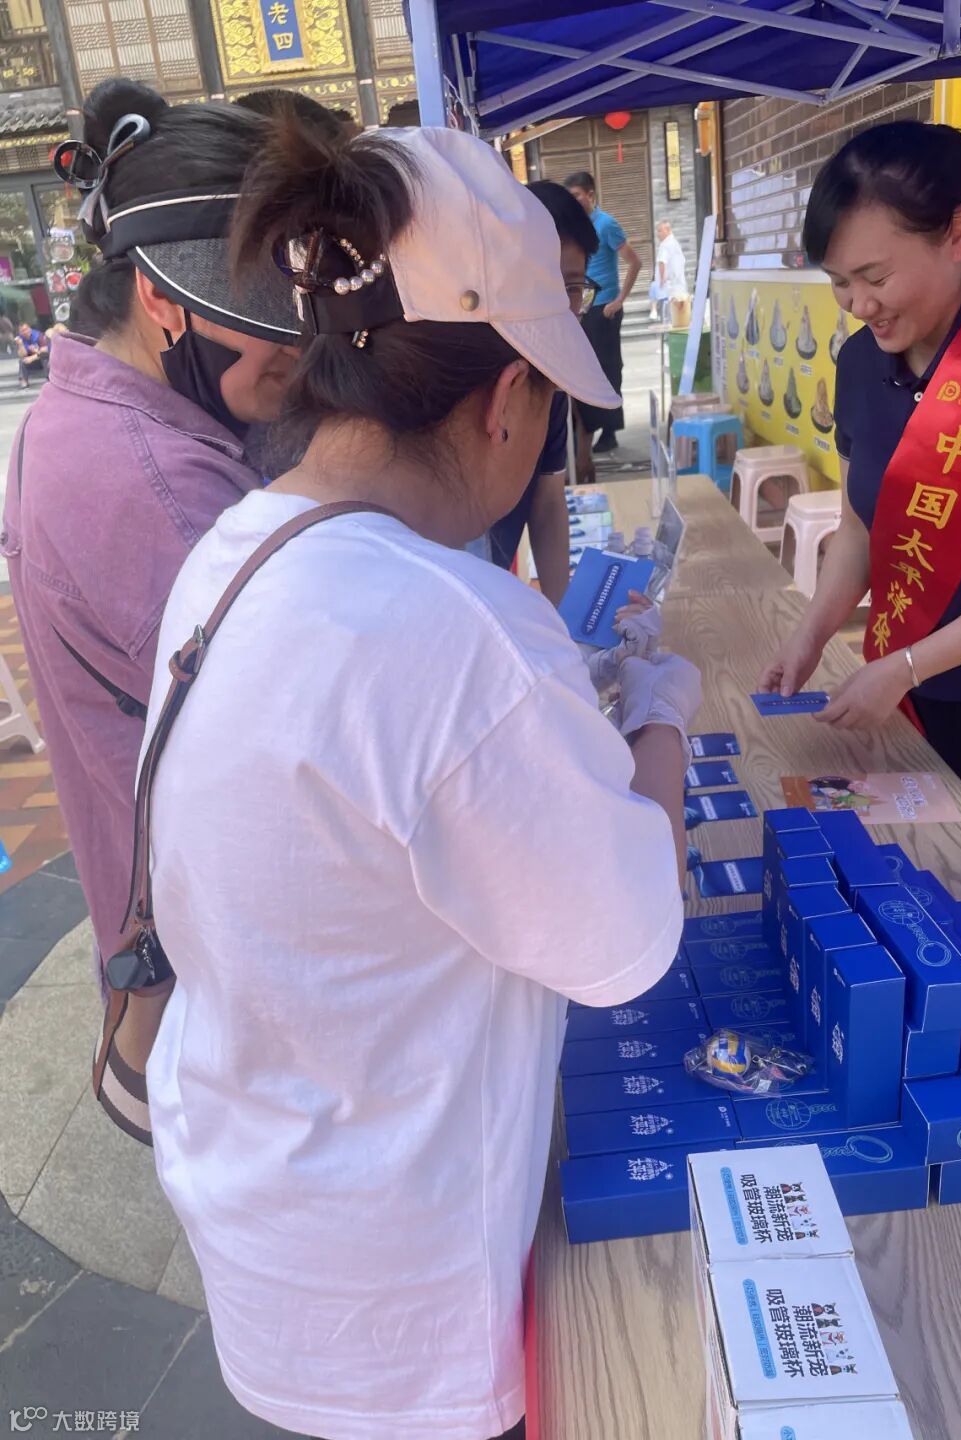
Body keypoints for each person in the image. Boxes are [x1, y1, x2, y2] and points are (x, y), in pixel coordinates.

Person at [142, 119, 700, 1440]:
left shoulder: (235, 548)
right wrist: (662, 717)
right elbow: (625, 942)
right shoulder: (456, 629)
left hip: (267, 1214)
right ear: (504, 401)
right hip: (404, 1293)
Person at [0, 78, 300, 1130]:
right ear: (166, 298)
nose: (299, 346)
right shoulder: (157, 490)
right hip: (221, 996)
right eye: (268, 312)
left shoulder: (89, 411)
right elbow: (316, 765)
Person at [761, 121, 961, 916]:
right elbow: (861, 527)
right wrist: (810, 635)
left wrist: (905, 667)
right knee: (912, 898)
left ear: (958, 234)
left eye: (874, 276)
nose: (858, 305)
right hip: (901, 699)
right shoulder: (859, 363)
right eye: (839, 282)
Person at [487, 179, 597, 601]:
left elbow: (548, 500)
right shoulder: (466, 373)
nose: (561, 307)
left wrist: (560, 614)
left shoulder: (550, 380)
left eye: (573, 288)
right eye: (546, 283)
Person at [564, 170, 641, 458]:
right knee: (585, 369)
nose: (574, 201)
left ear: (590, 195)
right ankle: (588, 427)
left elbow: (635, 262)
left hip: (605, 308)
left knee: (609, 368)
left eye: (577, 196)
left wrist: (619, 300)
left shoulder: (607, 224)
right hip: (582, 309)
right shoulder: (574, 227)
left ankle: (610, 432)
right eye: (570, 197)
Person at [652, 219, 687, 324]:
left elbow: (662, 262)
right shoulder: (674, 243)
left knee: (669, 318)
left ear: (667, 230)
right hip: (677, 285)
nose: (658, 234)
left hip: (670, 288)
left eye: (660, 231)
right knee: (678, 316)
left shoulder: (666, 244)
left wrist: (662, 279)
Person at [15, 321, 48, 388]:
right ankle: (24, 381)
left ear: (29, 329)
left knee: (45, 359)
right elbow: (22, 355)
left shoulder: (38, 335)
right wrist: (21, 345)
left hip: (40, 360)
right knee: (22, 361)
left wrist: (34, 355)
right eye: (22, 331)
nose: (25, 332)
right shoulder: (19, 339)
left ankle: (49, 378)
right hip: (31, 363)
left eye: (26, 329)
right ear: (20, 332)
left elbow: (45, 351)